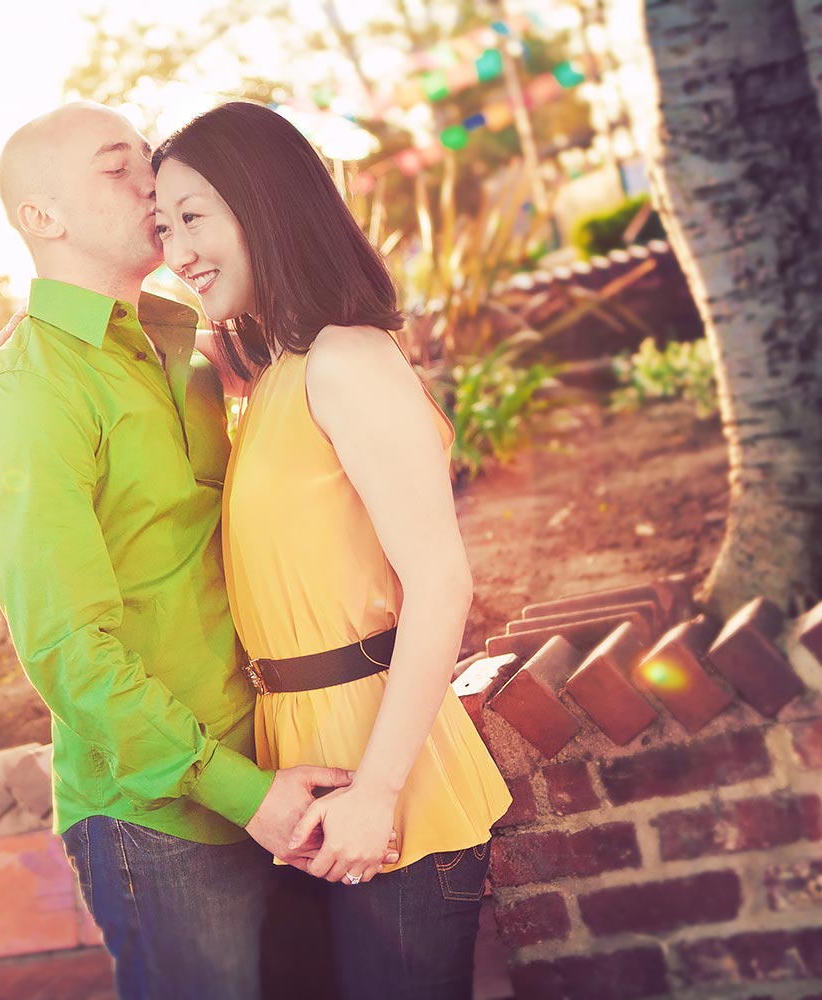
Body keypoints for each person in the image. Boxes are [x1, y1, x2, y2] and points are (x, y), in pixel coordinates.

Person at [0, 102, 398, 1000]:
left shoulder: (188, 354)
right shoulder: (27, 402)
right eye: (117, 169)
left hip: (284, 769)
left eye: (145, 159)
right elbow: (69, 653)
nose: (151, 182)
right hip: (161, 822)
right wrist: (238, 790)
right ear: (44, 219)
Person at [151, 100, 513, 999]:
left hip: (382, 777)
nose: (177, 250)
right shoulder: (276, 372)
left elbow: (440, 583)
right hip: (300, 776)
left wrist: (378, 794)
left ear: (265, 201)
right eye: (163, 226)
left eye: (194, 215)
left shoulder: (349, 360)